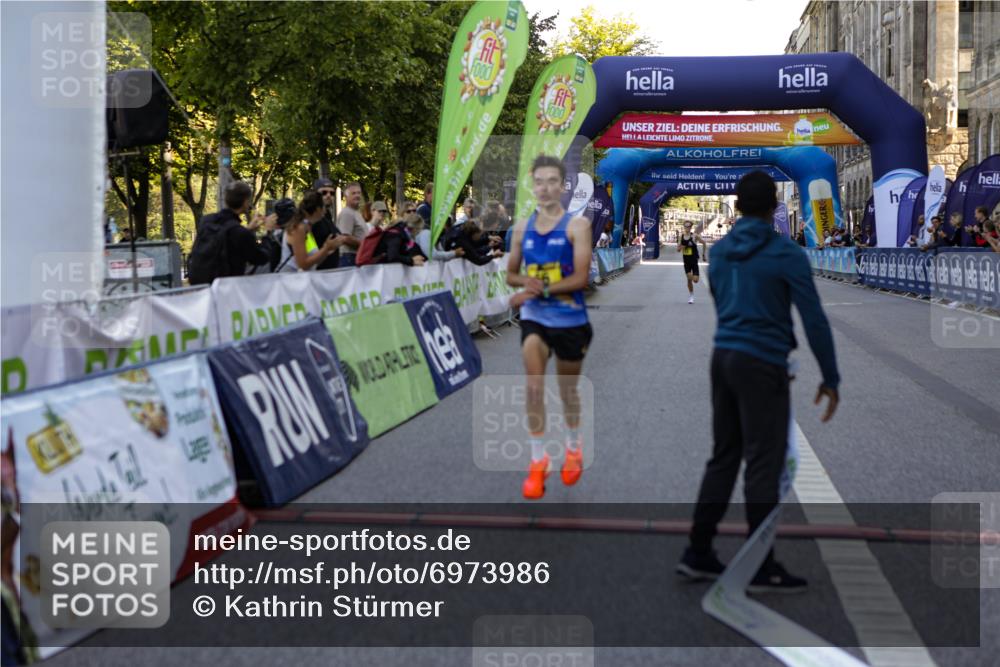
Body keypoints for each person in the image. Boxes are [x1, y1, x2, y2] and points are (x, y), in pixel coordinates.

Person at [676, 170, 840, 593]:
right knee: (763, 462)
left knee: (724, 456)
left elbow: (718, 295)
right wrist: (830, 376)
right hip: (763, 361)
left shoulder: (724, 250)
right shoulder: (786, 253)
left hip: (723, 356)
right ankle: (761, 564)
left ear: (740, 207)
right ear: (773, 207)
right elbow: (814, 318)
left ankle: (697, 550)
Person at [506, 155, 593, 500]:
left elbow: (581, 278)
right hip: (536, 317)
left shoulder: (578, 227)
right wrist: (525, 286)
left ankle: (573, 448)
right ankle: (538, 459)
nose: (545, 188)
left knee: (568, 393)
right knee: (533, 386)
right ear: (533, 185)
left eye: (552, 182)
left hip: (571, 320)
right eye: (539, 182)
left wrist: (537, 288)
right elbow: (511, 272)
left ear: (562, 186)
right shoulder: (522, 228)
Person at [187, 181, 271, 284]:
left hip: (202, 286)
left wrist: (248, 230)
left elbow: (228, 237)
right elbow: (260, 258)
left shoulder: (206, 221)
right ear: (245, 202)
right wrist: (268, 232)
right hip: (226, 290)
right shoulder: (240, 233)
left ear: (226, 200)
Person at [278, 191, 343, 272]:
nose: (325, 211)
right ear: (318, 209)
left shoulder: (307, 227)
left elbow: (313, 261)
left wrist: (327, 250)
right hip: (290, 280)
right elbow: (303, 264)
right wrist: (326, 248)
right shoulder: (299, 228)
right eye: (324, 207)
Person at [335, 182, 368, 267]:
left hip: (355, 256)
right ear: (346, 196)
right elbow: (345, 238)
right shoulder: (347, 213)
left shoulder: (356, 212)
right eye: (353, 193)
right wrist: (365, 245)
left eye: (359, 193)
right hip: (349, 257)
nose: (357, 195)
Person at [312, 178, 341, 271]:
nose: (328, 195)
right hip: (316, 273)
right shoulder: (311, 218)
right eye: (324, 192)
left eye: (332, 193)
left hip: (330, 273)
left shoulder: (327, 216)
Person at [676, 221, 706, 304]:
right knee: (689, 278)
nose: (687, 228)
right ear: (684, 227)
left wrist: (704, 255)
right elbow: (678, 250)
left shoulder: (694, 236)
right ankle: (691, 296)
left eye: (689, 226)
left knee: (695, 280)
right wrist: (682, 247)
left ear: (691, 227)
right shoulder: (681, 236)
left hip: (694, 260)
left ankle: (693, 281)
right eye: (685, 226)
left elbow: (704, 243)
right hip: (686, 261)